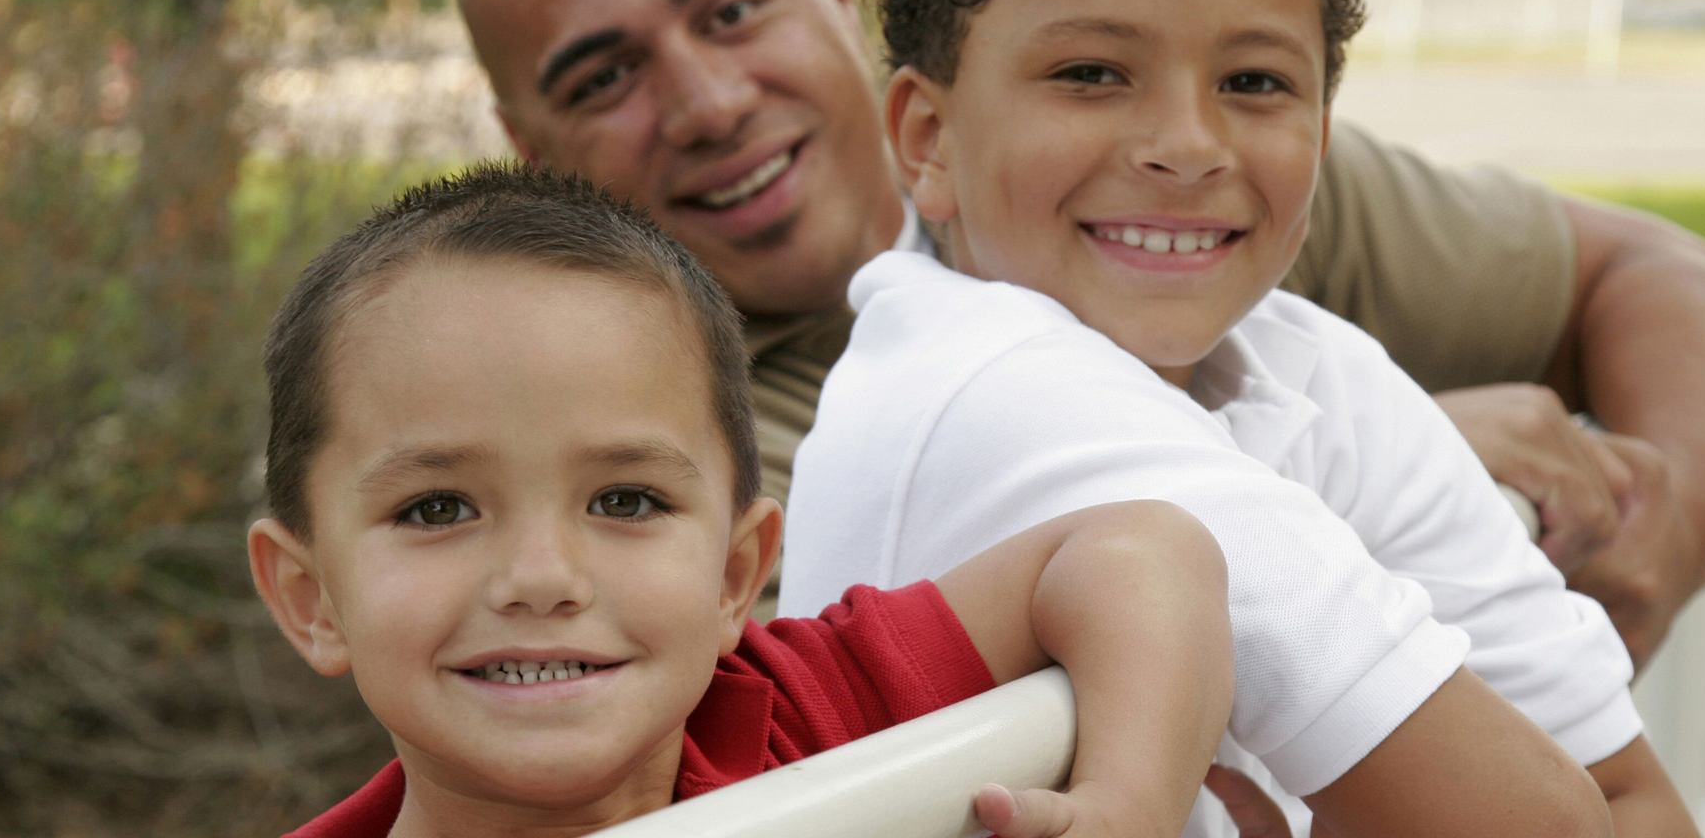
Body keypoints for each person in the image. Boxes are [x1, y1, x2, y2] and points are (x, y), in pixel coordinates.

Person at [456, 0, 1705, 668]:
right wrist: (1394, 465)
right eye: (605, 75)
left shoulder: (1171, 173)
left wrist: (1651, 534)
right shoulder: (630, 431)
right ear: (526, 149)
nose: (705, 100)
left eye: (733, 6)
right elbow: (1037, 618)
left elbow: (1674, 283)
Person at [778, 0, 1696, 836]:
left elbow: (1634, 802)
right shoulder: (991, 388)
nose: (1187, 144)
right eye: (1091, 72)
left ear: (1323, 130)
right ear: (928, 139)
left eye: (1253, 81)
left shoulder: (1309, 368)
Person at [245, 164, 1247, 838]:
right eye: (437, 509)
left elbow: (1144, 553)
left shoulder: (803, 720)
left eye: (626, 500)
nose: (541, 578)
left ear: (735, 573)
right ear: (310, 595)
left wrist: (1133, 802)